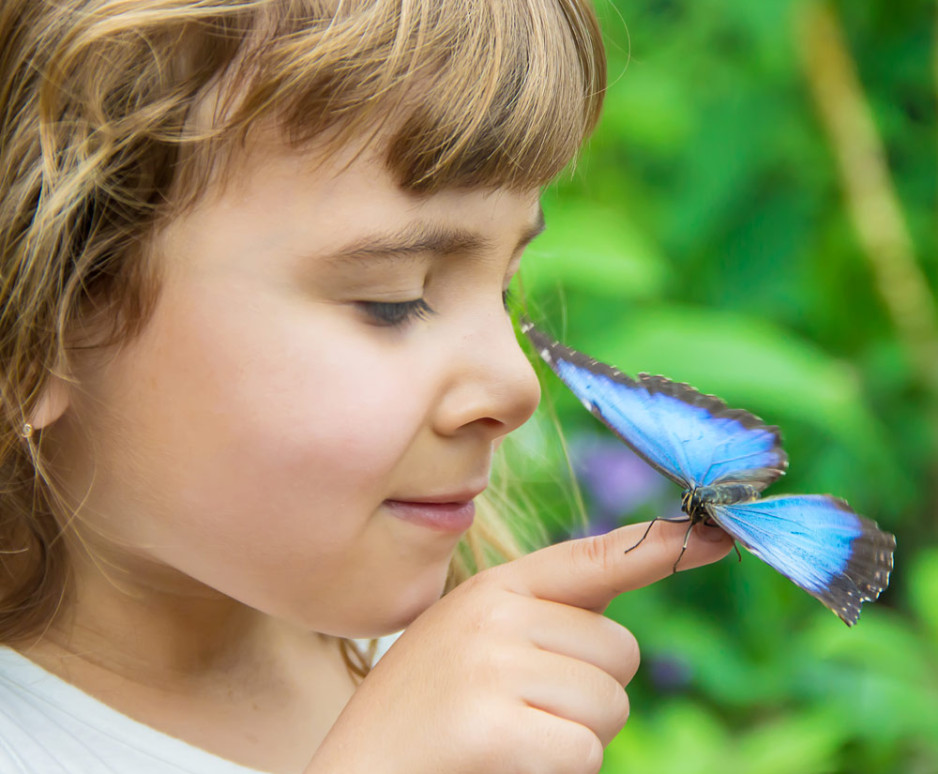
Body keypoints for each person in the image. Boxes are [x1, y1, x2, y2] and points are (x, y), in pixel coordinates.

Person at [0, 1, 734, 772]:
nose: (517, 385)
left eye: (507, 286)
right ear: (41, 328)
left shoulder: (449, 672)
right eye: (394, 298)